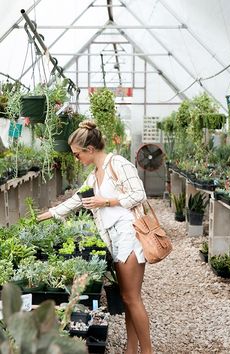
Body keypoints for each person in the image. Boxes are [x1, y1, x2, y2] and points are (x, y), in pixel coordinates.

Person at [38, 120, 153, 354]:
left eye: (77, 154)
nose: (75, 158)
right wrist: (47, 214)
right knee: (127, 296)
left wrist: (106, 201)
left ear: (89, 150)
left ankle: (148, 351)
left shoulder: (117, 164)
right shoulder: (94, 175)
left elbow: (139, 194)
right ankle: (132, 349)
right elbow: (77, 200)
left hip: (130, 235)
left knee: (132, 298)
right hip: (116, 240)